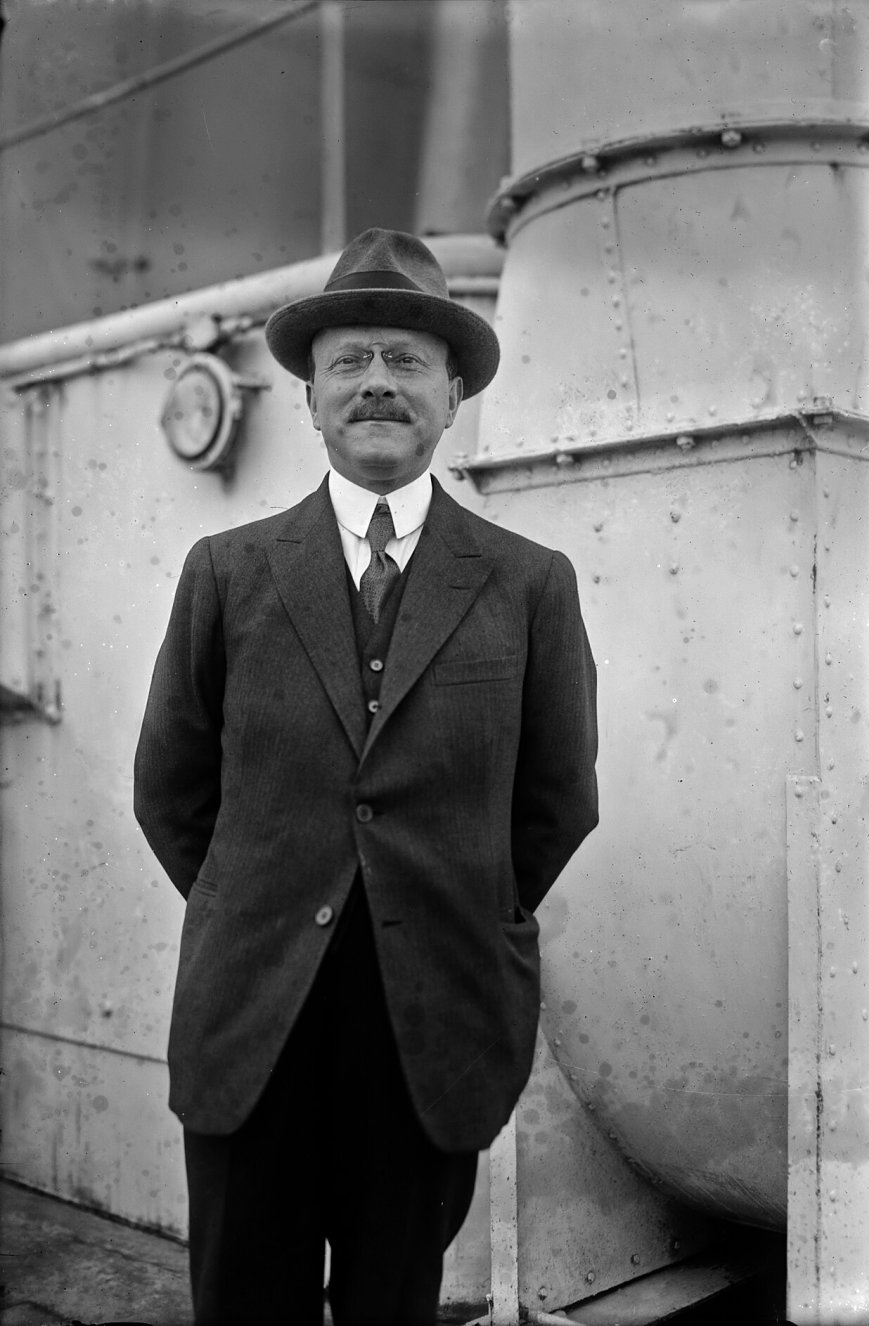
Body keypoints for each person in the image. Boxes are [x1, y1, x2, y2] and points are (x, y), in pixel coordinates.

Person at [134, 228, 599, 1326]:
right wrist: (265, 899)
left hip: (429, 1033)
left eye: (407, 360)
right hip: (253, 1022)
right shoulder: (227, 572)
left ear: (453, 396)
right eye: (349, 361)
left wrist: (460, 912)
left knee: (394, 1306)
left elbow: (556, 803)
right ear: (309, 398)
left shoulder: (530, 584)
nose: (377, 382)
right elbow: (171, 788)